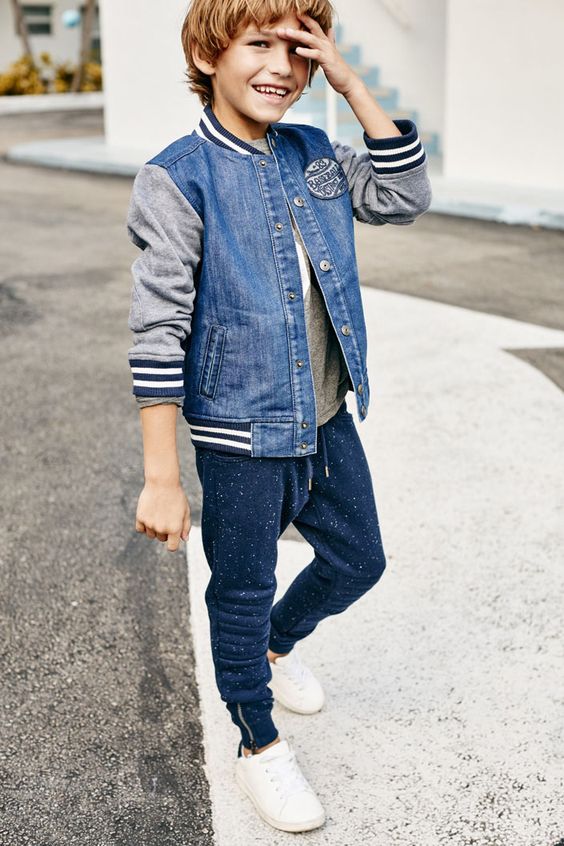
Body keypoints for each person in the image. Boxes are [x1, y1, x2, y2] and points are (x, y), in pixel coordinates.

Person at [126, 0, 432, 832]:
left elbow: (403, 194)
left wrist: (348, 79)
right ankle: (257, 743)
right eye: (259, 44)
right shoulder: (177, 176)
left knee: (359, 560)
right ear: (209, 54)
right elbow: (158, 329)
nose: (281, 68)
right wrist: (162, 477)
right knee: (242, 588)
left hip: (325, 419)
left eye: (297, 50)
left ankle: (273, 644)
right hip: (241, 436)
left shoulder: (313, 153)